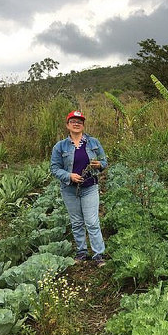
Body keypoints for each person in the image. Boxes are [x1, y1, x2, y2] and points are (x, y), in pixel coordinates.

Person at [50, 110, 108, 267]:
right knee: (77, 222)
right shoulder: (60, 146)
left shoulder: (93, 142)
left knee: (92, 222)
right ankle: (81, 252)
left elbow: (104, 161)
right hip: (70, 190)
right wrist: (69, 176)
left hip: (89, 187)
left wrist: (99, 164)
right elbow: (54, 168)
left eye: (80, 121)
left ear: (83, 125)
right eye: (73, 121)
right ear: (67, 125)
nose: (76, 124)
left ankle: (98, 255)